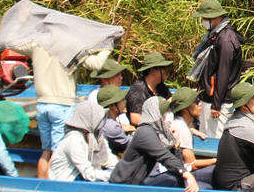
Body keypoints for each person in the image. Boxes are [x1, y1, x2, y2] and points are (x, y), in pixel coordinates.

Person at [24, 43, 111, 179]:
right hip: (62, 105)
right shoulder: (71, 47)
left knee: (46, 151)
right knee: (57, 151)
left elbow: (16, 44)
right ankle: (51, 190)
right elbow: (96, 64)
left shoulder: (38, 45)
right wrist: (107, 47)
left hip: (42, 104)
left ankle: (39, 188)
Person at [110, 90, 201, 192]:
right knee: (173, 179)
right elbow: (163, 156)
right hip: (124, 184)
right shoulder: (145, 132)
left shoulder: (159, 132)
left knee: (175, 177)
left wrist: (173, 143)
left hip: (138, 182)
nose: (168, 116)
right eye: (165, 112)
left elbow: (176, 159)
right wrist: (186, 174)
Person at [190, 0, 245, 138]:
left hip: (216, 100)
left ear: (215, 18)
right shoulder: (215, 35)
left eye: (204, 18)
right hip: (209, 96)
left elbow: (224, 72)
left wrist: (216, 104)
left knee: (214, 138)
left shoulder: (226, 38)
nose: (202, 21)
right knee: (205, 134)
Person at [49, 87, 119, 182]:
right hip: (66, 183)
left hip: (83, 179)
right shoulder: (74, 140)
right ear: (89, 120)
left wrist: (123, 171)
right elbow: (87, 173)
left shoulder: (96, 137)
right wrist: (113, 176)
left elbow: (110, 160)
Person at [161, 86, 217, 187]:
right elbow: (191, 164)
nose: (200, 104)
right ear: (185, 109)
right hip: (179, 174)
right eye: (196, 102)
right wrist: (215, 160)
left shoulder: (176, 123)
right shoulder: (183, 129)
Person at [125, 51, 173, 127]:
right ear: (153, 71)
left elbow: (169, 101)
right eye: (163, 68)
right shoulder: (138, 90)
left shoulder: (160, 86)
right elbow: (135, 119)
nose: (166, 71)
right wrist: (159, 124)